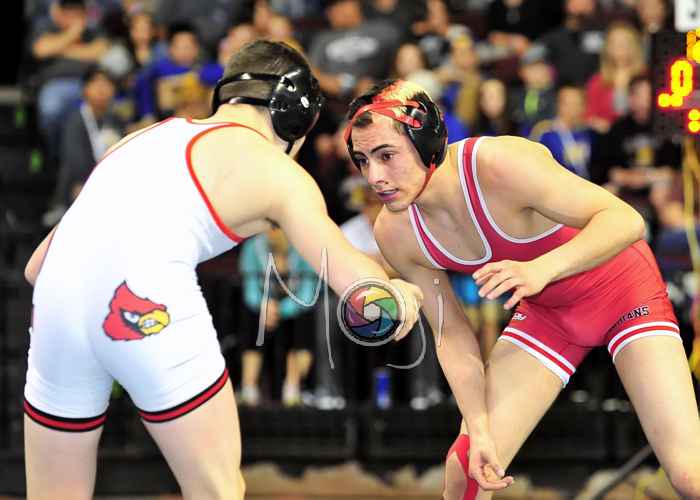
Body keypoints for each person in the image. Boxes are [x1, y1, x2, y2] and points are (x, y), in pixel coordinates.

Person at [22, 41, 423, 500]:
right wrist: (401, 295)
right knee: (217, 491)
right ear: (294, 119)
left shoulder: (135, 140)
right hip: (145, 303)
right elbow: (362, 293)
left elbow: (37, 265)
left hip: (56, 308)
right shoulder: (278, 172)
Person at [343, 79, 700, 499]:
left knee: (690, 476)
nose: (375, 177)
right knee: (467, 468)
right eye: (363, 160)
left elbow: (625, 220)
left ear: (427, 144)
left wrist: (542, 269)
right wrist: (479, 428)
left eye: (386, 156)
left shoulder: (498, 164)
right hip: (550, 315)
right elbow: (451, 334)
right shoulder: (396, 232)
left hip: (623, 291)